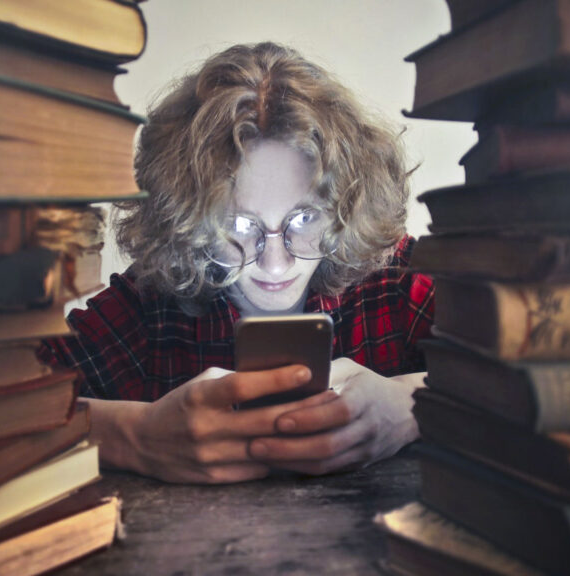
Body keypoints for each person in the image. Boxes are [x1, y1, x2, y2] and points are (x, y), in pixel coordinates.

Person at [40, 42, 434, 484]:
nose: (275, 261)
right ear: (188, 221)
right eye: (238, 225)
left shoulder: (396, 282)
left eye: (303, 219)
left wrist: (414, 405)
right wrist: (134, 436)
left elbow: (523, 370)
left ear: (344, 207)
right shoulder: (146, 309)